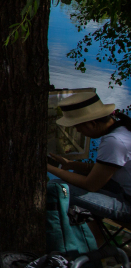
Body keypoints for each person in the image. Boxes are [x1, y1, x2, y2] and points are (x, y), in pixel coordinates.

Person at [47, 92, 131, 234]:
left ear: (92, 123)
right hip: (126, 192)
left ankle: (87, 239)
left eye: (77, 126)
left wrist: (48, 167)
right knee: (80, 172)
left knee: (55, 187)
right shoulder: (123, 130)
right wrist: (71, 164)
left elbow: (90, 185)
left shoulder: (114, 141)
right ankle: (95, 237)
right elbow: (105, 169)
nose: (77, 130)